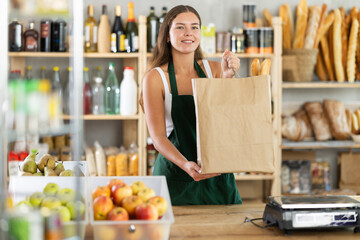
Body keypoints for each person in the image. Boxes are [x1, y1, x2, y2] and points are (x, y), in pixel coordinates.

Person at [141, 5, 242, 205]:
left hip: (217, 175)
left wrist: (228, 77)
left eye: (194, 27)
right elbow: (158, 137)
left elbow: (228, 118)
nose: (189, 33)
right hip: (176, 176)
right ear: (167, 36)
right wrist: (185, 164)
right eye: (180, 27)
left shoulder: (215, 69)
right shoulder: (155, 78)